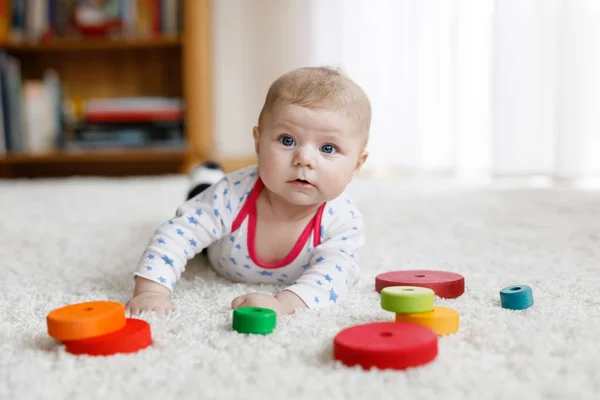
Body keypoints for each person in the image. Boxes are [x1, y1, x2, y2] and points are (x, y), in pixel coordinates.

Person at [126, 66, 371, 317]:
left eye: (328, 148)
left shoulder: (343, 220)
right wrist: (151, 292)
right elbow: (177, 235)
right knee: (200, 197)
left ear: (357, 164)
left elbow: (336, 275)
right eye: (288, 141)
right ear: (258, 141)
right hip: (218, 236)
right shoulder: (231, 194)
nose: (304, 159)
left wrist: (283, 304)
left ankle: (209, 175)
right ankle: (206, 175)